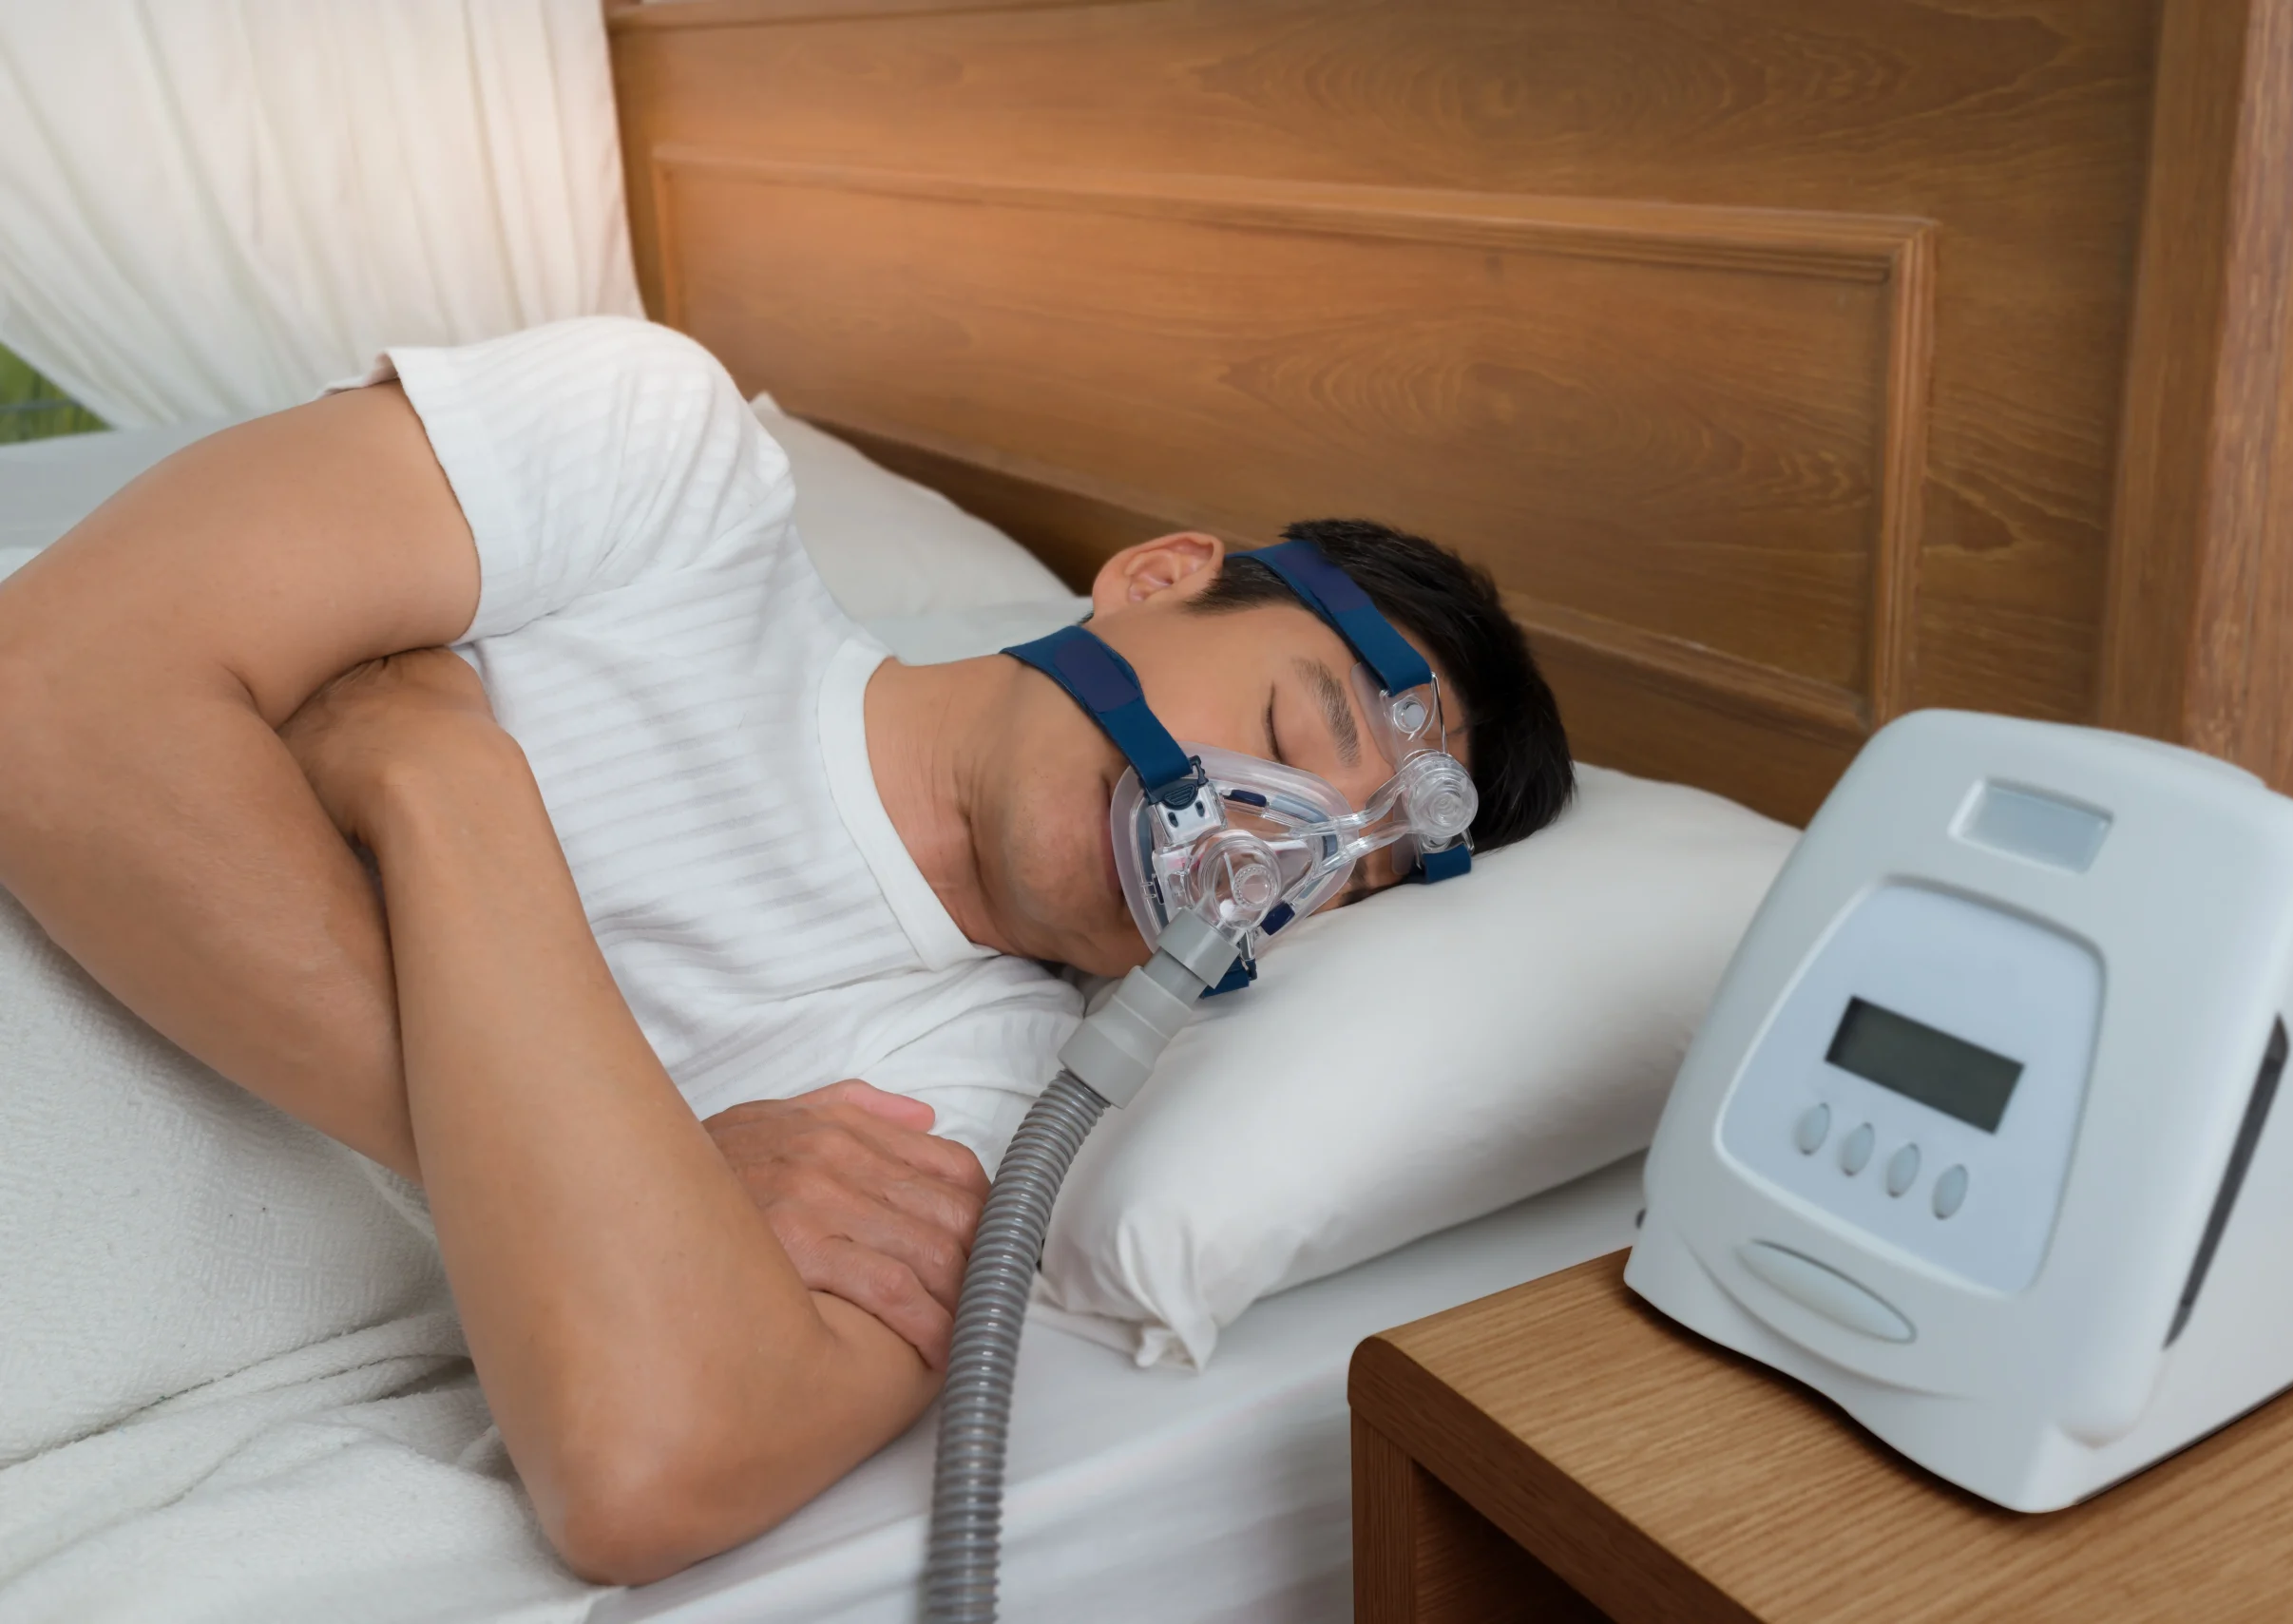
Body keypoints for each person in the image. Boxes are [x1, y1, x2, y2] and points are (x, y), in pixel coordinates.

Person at [0, 316, 1572, 1583]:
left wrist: (443, 783)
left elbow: (649, 1470)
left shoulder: (984, 1123)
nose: (1244, 844)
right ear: (1160, 576)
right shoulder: (656, 478)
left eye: (1320, 873)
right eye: (1296, 728)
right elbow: (49, 695)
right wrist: (635, 1190)